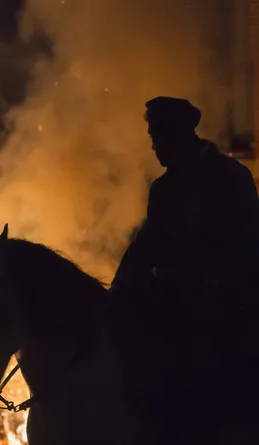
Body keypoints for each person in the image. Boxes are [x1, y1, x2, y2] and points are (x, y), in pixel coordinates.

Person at [111, 96, 259, 425]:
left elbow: (249, 242)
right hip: (175, 299)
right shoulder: (163, 189)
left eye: (157, 135)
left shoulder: (230, 179)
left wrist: (213, 279)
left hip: (227, 304)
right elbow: (146, 244)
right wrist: (117, 290)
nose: (153, 145)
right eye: (151, 135)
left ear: (179, 134)